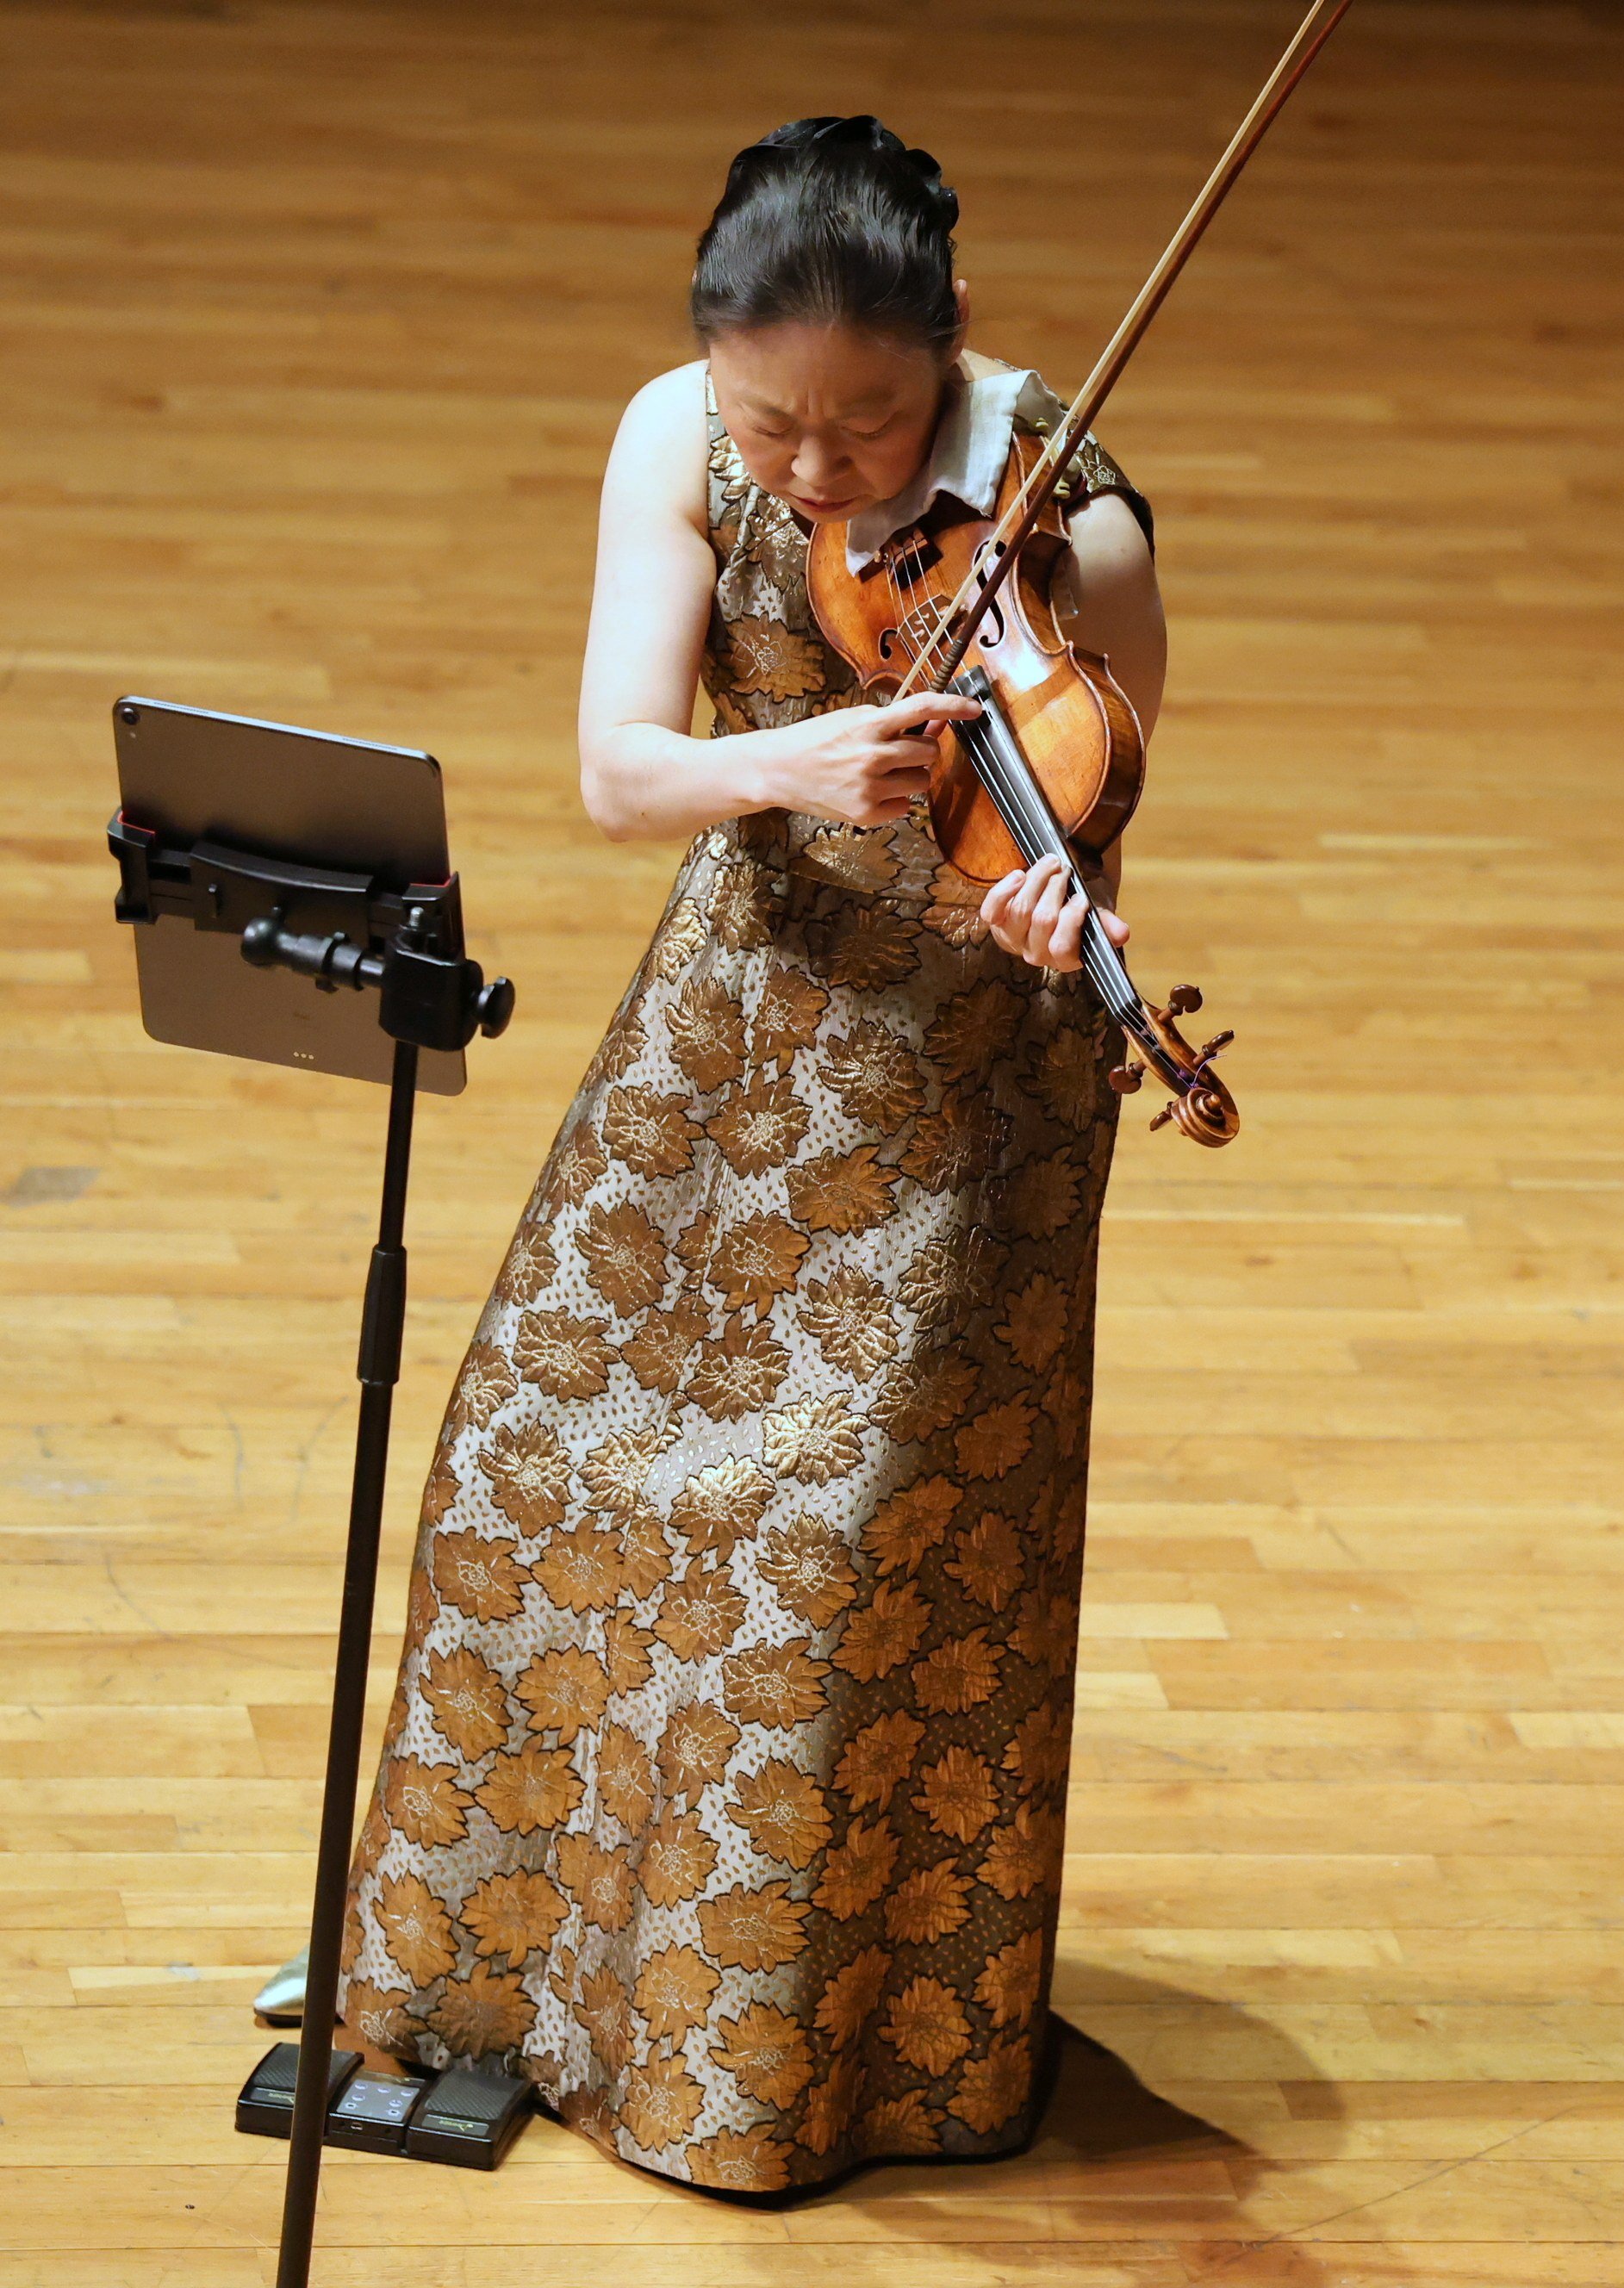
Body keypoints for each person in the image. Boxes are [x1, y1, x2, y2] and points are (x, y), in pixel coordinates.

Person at [328, 115, 1160, 2192]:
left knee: (850, 1555)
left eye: (870, 425)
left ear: (949, 346)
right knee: (535, 1444)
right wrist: (794, 763)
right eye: (773, 422)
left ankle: (797, 2061)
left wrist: (1046, 912)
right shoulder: (670, 441)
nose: (816, 470)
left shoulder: (1081, 516)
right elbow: (622, 766)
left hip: (962, 1092)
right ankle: (485, 1972)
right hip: (732, 1027)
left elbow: (1074, 815)